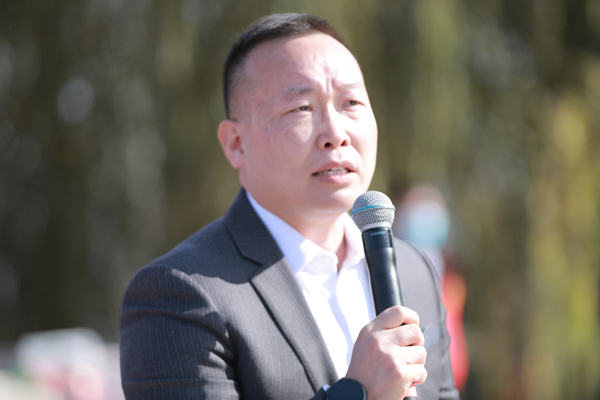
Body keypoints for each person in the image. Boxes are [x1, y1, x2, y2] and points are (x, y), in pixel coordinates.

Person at [119, 13, 459, 400]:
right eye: (301, 108)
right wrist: (358, 392)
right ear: (236, 143)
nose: (336, 134)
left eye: (351, 102)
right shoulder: (179, 294)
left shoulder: (414, 270)